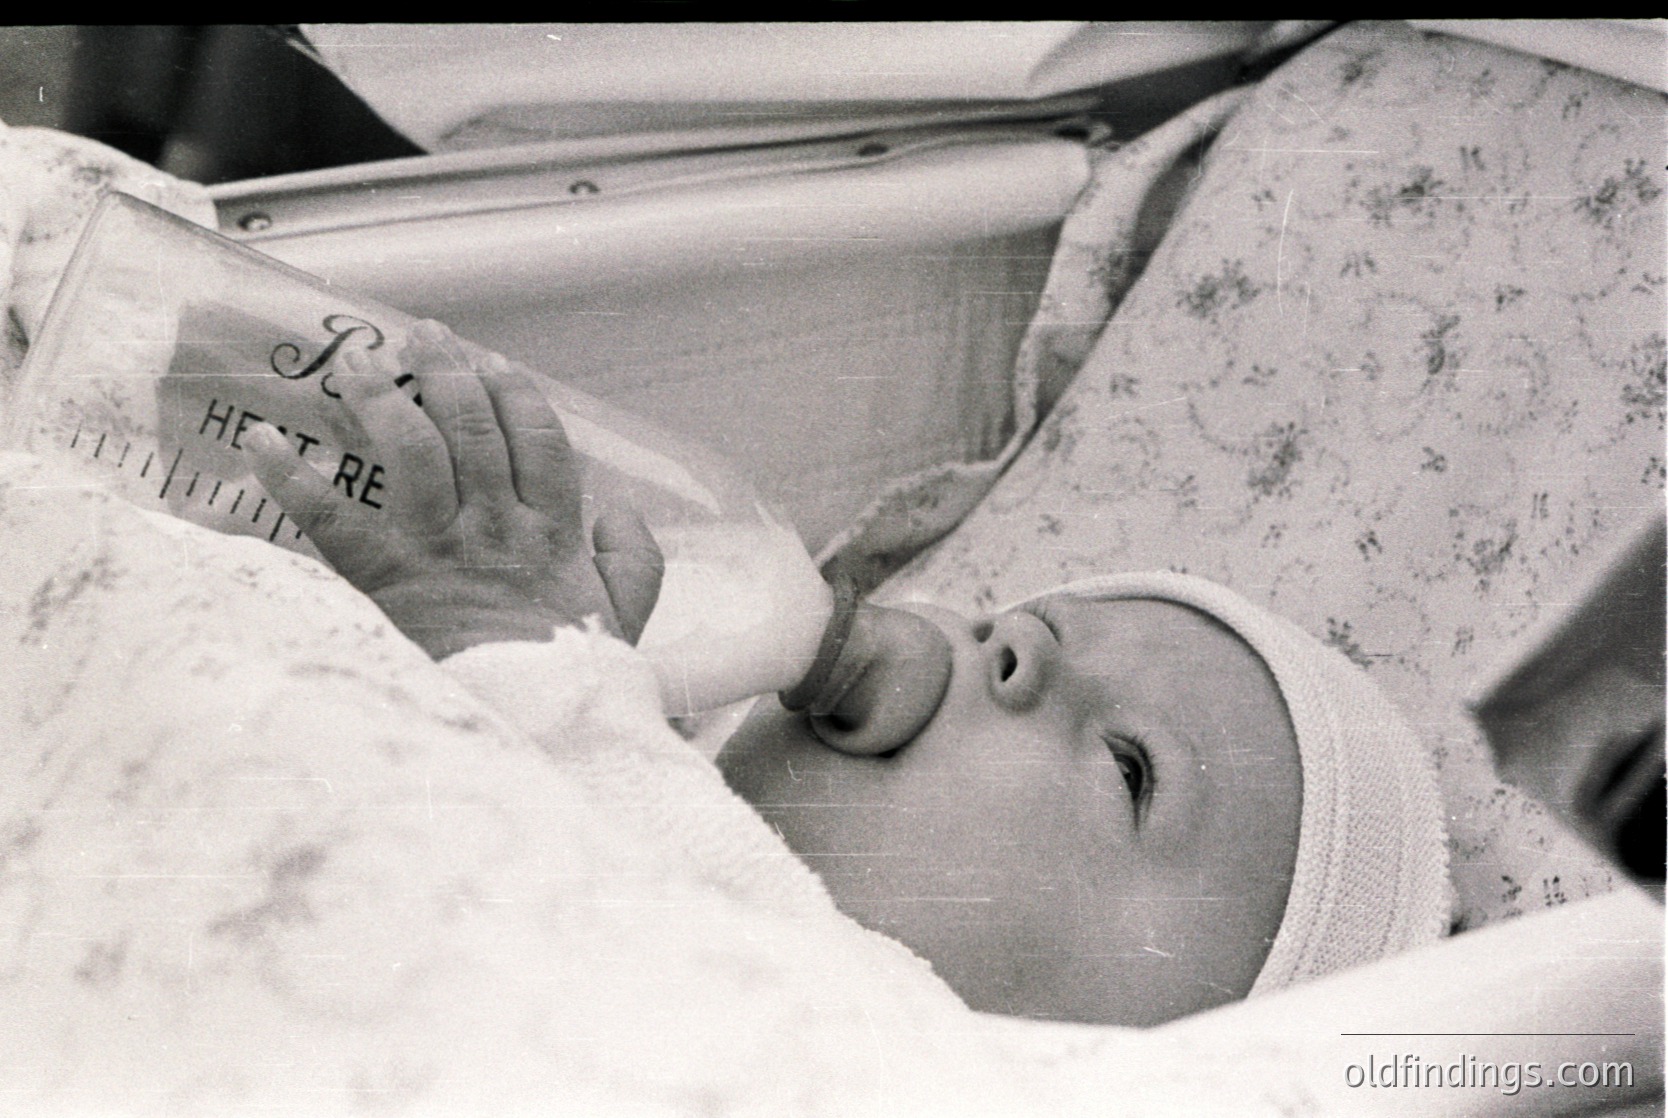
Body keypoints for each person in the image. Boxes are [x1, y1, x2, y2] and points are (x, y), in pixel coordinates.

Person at [245, 321, 1451, 1028]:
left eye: (1134, 765)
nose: (1009, 645)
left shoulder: (895, 1053)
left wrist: (512, 654)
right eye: (1004, 622)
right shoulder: (642, 758)